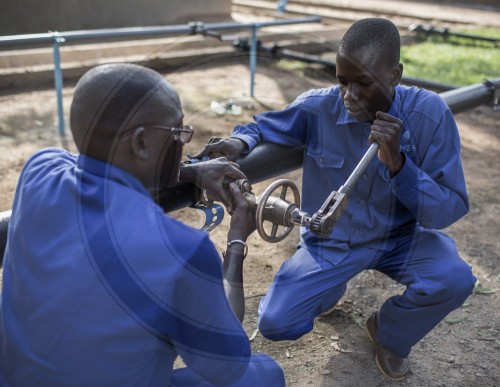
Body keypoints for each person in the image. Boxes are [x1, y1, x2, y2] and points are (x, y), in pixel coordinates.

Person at [191, 18, 476, 380]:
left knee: (454, 279)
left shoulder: (430, 114)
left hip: (401, 238)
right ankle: (329, 288)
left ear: (395, 74)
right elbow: (261, 127)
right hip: (331, 241)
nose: (349, 95)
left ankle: (389, 333)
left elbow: (446, 209)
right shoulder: (316, 107)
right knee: (276, 322)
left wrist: (400, 166)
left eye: (363, 84)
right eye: (342, 81)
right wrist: (240, 142)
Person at [0, 63, 285, 387]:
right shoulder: (181, 250)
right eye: (178, 133)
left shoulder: (38, 171)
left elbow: (92, 161)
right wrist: (237, 242)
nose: (184, 143)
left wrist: (189, 171)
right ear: (140, 143)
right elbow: (226, 365)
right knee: (263, 374)